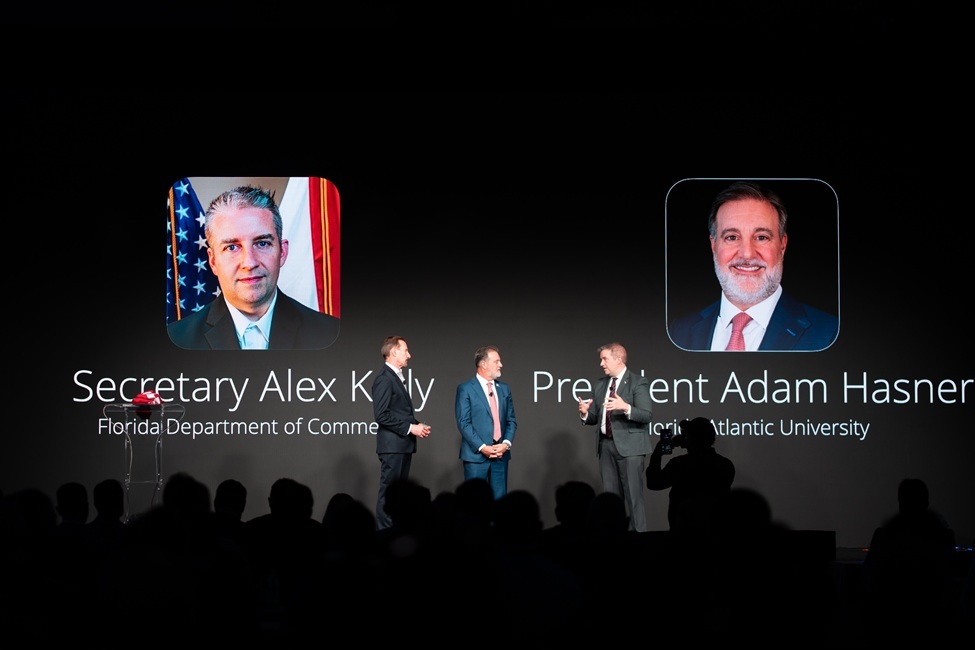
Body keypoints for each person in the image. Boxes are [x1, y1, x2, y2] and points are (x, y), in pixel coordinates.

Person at [668, 180, 838, 351]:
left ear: (782, 245)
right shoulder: (679, 333)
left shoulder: (829, 334)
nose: (747, 254)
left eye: (761, 237)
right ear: (714, 246)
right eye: (732, 237)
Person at [167, 185, 340, 350]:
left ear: (283, 252)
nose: (249, 263)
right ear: (213, 261)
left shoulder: (332, 335)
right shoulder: (175, 341)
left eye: (262, 243)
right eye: (232, 247)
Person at [578, 342, 652, 532]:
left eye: (605, 359)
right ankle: (612, 544)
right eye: (601, 359)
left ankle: (640, 543)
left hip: (631, 450)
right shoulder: (601, 384)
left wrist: (625, 407)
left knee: (634, 499)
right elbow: (596, 417)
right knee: (610, 502)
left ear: (618, 359)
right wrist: (586, 413)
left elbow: (646, 415)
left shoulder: (637, 382)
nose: (601, 363)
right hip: (606, 448)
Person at [371, 336, 430, 530]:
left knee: (398, 494)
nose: (409, 355)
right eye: (406, 350)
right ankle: (384, 533)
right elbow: (381, 415)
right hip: (392, 446)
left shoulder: (395, 377)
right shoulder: (384, 379)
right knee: (389, 492)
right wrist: (410, 428)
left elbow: (398, 412)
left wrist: (416, 425)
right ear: (394, 351)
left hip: (402, 445)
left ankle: (395, 531)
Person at [645, 416, 736, 533]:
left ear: (691, 438)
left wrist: (657, 453)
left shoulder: (680, 464)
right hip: (716, 534)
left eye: (686, 435)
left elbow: (654, 483)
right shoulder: (725, 465)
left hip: (682, 535)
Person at [455, 345, 517, 500]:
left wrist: (506, 444)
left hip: (500, 455)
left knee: (500, 503)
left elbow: (511, 420)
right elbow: (464, 423)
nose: (500, 365)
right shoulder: (466, 389)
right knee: (474, 504)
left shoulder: (504, 389)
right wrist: (483, 447)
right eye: (497, 361)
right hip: (476, 457)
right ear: (483, 364)